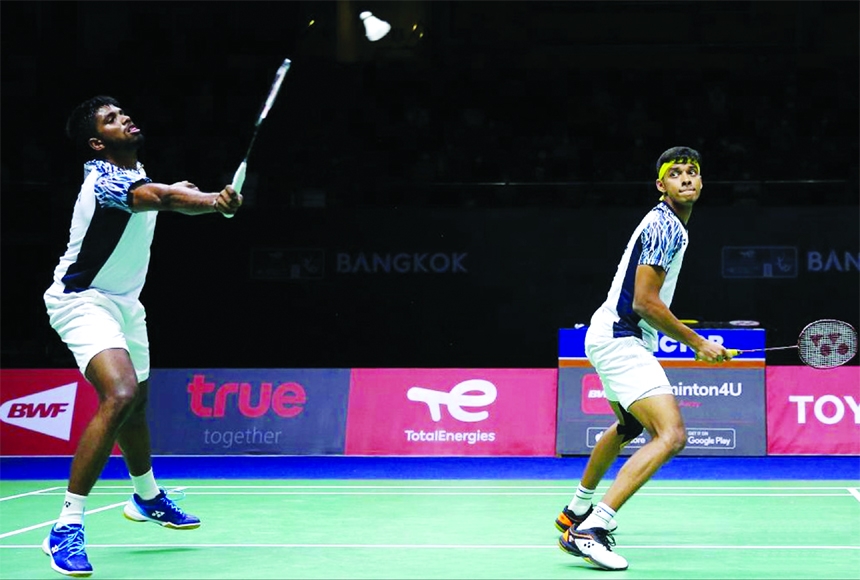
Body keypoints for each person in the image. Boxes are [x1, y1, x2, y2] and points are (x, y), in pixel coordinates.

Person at [41, 95, 243, 577]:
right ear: (96, 142)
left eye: (123, 112)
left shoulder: (136, 173)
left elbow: (163, 193)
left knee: (137, 405)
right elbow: (165, 199)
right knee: (121, 393)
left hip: (126, 306)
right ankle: (66, 527)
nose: (124, 117)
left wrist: (189, 195)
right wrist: (212, 201)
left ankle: (147, 498)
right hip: (82, 299)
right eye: (111, 119)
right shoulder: (105, 179)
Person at [555, 146, 731, 571]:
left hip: (607, 333)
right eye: (677, 174)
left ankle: (575, 511)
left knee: (629, 425)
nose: (687, 178)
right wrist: (698, 343)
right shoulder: (665, 226)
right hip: (621, 336)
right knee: (671, 436)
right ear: (661, 185)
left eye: (693, 172)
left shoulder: (669, 225)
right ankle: (591, 529)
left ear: (702, 182)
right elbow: (647, 303)